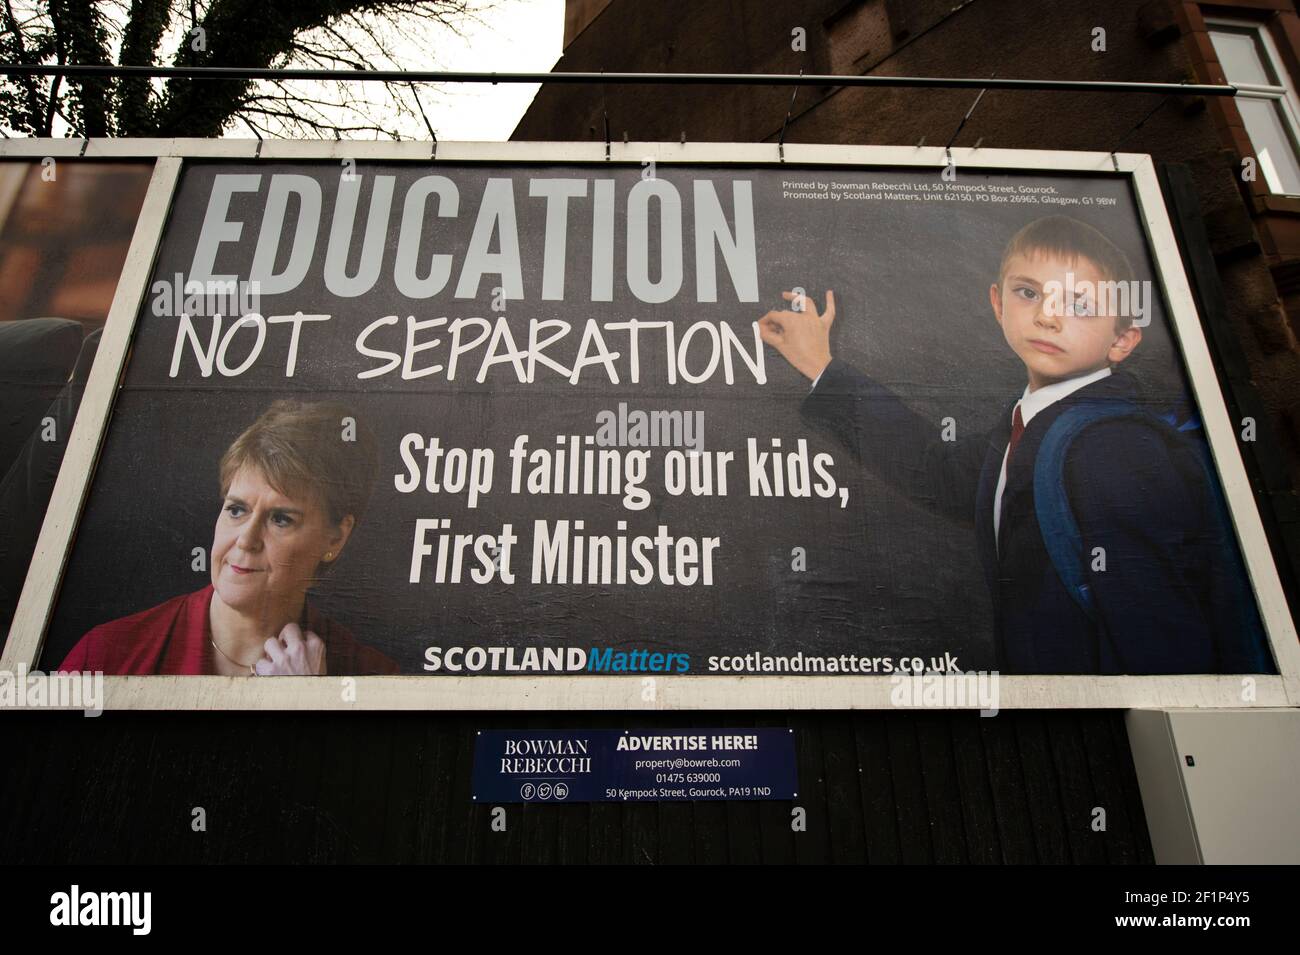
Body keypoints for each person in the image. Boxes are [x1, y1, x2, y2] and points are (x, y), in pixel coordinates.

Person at [757, 215, 1272, 675]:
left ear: (1121, 341)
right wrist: (820, 366)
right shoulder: (1031, 423)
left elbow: (1160, 637)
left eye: (1079, 304)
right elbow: (938, 474)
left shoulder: (1111, 448)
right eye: (1029, 293)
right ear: (998, 304)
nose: (1048, 317)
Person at [58, 399, 399, 675]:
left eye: (281, 519)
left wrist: (308, 710)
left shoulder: (372, 678)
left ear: (335, 538)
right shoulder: (106, 655)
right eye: (236, 510)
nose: (246, 540)